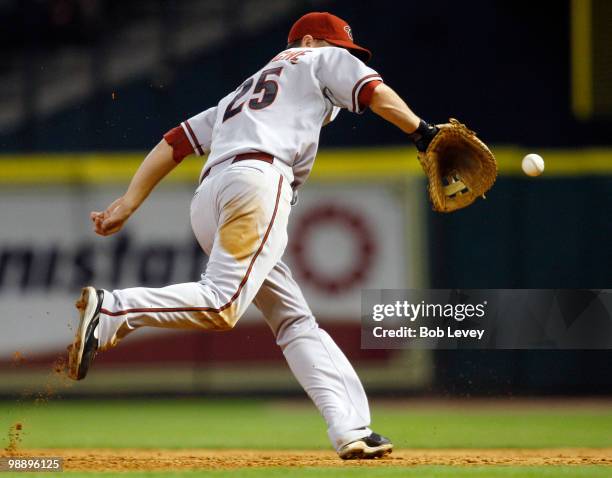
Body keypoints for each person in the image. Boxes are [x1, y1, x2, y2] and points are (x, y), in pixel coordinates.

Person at [67, 11, 439, 460]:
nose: (347, 56)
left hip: (210, 199)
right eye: (342, 47)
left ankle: (350, 427)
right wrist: (423, 133)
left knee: (293, 319)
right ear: (306, 39)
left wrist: (129, 201)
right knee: (223, 303)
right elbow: (374, 92)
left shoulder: (242, 92)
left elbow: (174, 142)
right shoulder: (317, 58)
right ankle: (114, 310)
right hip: (259, 182)